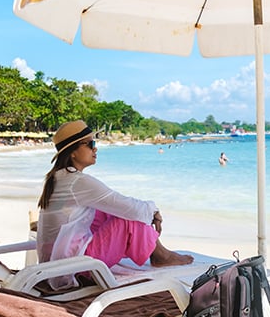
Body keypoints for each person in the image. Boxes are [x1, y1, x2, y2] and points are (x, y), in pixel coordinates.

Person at [36, 120, 193, 290]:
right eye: (90, 144)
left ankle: (157, 251)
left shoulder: (58, 178)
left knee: (106, 211)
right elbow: (130, 208)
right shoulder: (77, 182)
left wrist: (147, 210)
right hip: (75, 268)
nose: (95, 148)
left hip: (58, 263)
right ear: (73, 152)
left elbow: (115, 204)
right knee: (128, 218)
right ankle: (161, 255)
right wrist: (154, 210)